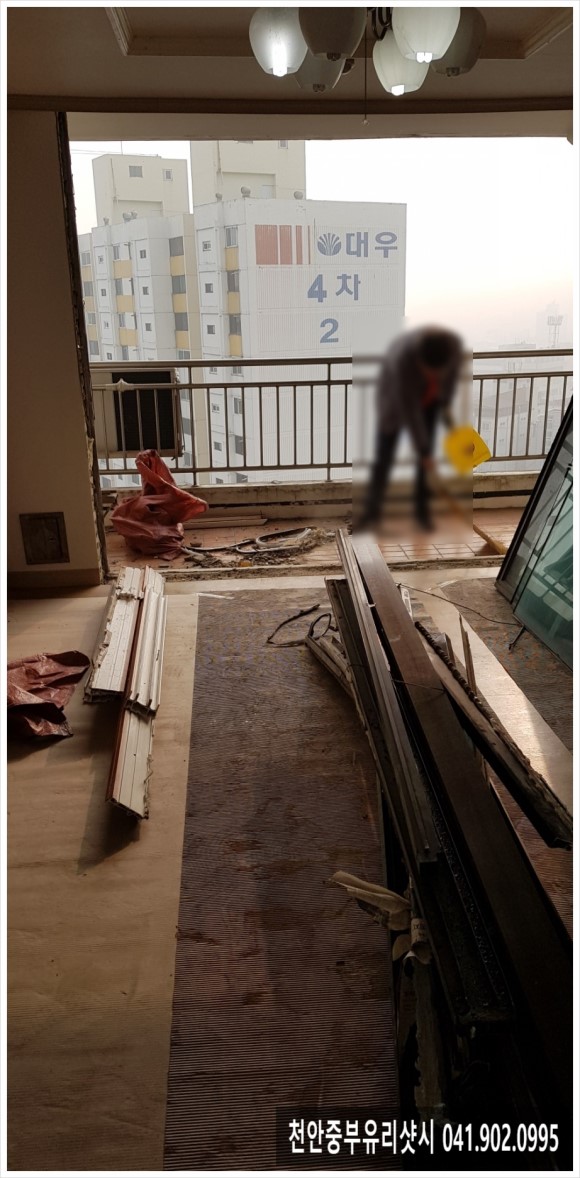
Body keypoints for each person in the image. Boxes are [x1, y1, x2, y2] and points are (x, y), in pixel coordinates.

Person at [357, 325, 463, 531]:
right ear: (419, 361)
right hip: (395, 403)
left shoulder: (452, 349)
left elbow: (450, 381)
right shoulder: (403, 360)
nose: (433, 375)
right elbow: (410, 410)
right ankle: (371, 514)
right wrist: (423, 449)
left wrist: (444, 405)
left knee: (425, 464)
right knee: (383, 458)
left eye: (438, 372)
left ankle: (422, 514)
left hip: (430, 402)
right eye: (429, 371)